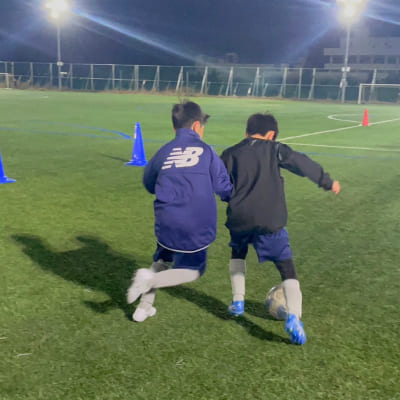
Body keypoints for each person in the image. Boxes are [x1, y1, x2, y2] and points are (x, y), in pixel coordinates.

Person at [220, 112, 341, 345]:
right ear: (271, 135)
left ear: (246, 132)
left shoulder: (230, 153)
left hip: (239, 217)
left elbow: (218, 180)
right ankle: (294, 317)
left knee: (237, 253)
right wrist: (327, 181)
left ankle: (238, 301)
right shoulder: (275, 149)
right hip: (269, 218)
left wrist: (231, 200)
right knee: (286, 268)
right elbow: (301, 163)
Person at [127, 101, 232, 322]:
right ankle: (150, 281)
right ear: (197, 126)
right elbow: (223, 187)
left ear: (174, 127)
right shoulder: (207, 151)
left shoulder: (164, 151)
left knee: (162, 258)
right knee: (194, 271)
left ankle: (144, 307)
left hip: (167, 220)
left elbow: (148, 182)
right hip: (197, 224)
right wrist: (238, 200)